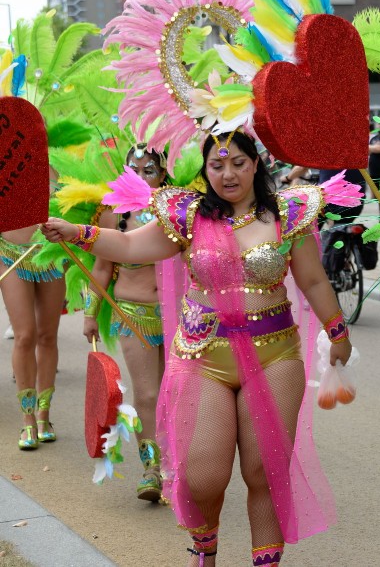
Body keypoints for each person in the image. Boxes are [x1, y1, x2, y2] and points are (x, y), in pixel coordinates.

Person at [43, 131, 356, 566]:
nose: (228, 174)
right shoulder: (189, 216)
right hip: (204, 356)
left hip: (275, 355)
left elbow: (314, 280)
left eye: (239, 163)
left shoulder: (288, 213)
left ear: (256, 164)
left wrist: (338, 332)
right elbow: (132, 245)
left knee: (265, 471)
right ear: (205, 170)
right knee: (202, 475)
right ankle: (204, 548)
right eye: (217, 165)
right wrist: (77, 232)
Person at [82, 144, 169, 500]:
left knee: (177, 393)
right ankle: (152, 469)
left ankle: (177, 465)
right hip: (134, 313)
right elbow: (101, 267)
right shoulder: (111, 212)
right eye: (135, 169)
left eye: (150, 169)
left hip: (182, 316)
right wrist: (90, 314)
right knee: (148, 393)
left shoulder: (178, 208)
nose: (142, 176)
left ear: (163, 173)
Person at [1, 174, 65, 451]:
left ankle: (44, 416)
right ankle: (27, 418)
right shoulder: (8, 160)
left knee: (47, 336)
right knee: (25, 335)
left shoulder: (55, 165)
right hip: (11, 254)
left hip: (50, 255)